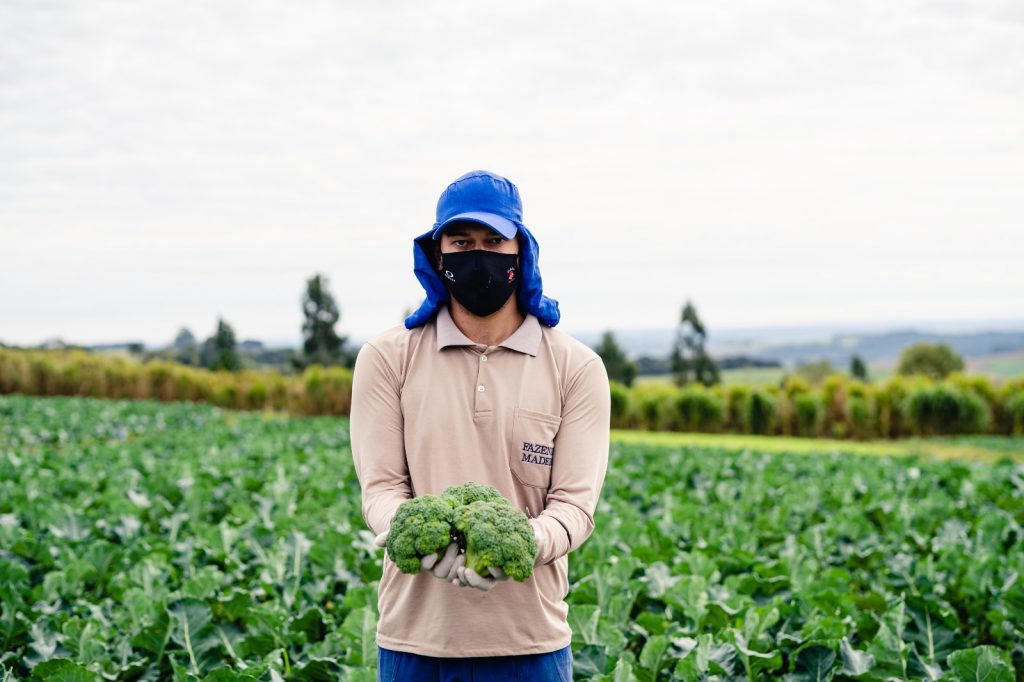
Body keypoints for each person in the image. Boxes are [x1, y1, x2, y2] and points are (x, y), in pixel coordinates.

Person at [350, 169, 611, 682]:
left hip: (530, 644)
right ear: (438, 254)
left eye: (495, 240)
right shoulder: (386, 358)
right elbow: (380, 489)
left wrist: (526, 544)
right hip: (414, 643)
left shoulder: (576, 367)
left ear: (522, 252)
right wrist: (419, 540)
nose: (480, 254)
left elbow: (576, 507)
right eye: (463, 241)